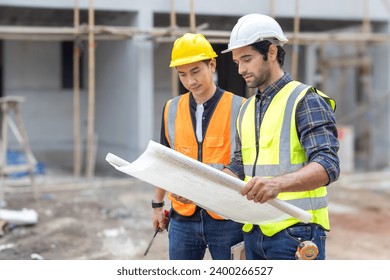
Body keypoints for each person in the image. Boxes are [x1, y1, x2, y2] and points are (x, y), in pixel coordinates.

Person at [221, 14, 340, 260]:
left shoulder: (306, 99)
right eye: (237, 62)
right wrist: (201, 184)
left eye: (247, 59)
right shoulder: (247, 107)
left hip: (296, 232)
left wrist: (277, 184)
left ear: (272, 52)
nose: (241, 69)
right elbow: (241, 163)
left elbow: (328, 165)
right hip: (255, 229)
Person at [152, 33, 245, 260]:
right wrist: (157, 205)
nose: (190, 81)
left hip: (227, 217)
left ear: (212, 65)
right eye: (182, 74)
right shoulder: (171, 108)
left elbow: (245, 161)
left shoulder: (240, 107)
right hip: (183, 218)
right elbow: (166, 160)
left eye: (195, 71)